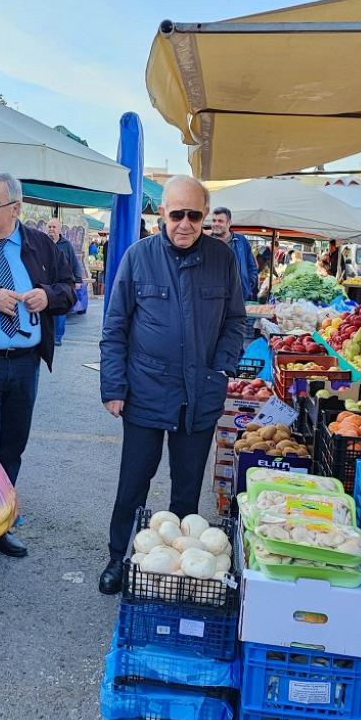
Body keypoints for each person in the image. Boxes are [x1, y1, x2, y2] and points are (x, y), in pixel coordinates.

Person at [98, 176, 245, 595]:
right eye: (176, 214)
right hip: (145, 391)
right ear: (161, 213)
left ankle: (179, 569)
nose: (184, 223)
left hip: (199, 395)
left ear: (205, 217)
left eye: (193, 215)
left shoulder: (223, 259)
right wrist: (114, 386)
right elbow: (115, 326)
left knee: (186, 488)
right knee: (134, 483)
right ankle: (118, 557)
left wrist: (221, 368)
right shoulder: (138, 256)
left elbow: (235, 320)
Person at [0, 173, 75, 575]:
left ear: (15, 208)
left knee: (12, 449)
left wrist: (49, 296)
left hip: (26, 364)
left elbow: (69, 288)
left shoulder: (40, 243)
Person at [45, 217, 83, 347]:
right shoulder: (42, 242)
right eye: (49, 227)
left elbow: (75, 263)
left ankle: (58, 337)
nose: (51, 229)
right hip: (46, 283)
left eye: (54, 227)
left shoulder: (66, 245)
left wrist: (78, 280)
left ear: (59, 229)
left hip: (62, 283)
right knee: (46, 310)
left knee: (60, 310)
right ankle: (47, 335)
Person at [209, 206, 258, 302]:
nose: (216, 224)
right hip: (213, 299)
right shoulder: (205, 243)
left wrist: (248, 284)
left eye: (220, 221)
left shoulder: (241, 241)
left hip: (239, 296)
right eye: (214, 221)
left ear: (229, 223)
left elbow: (252, 266)